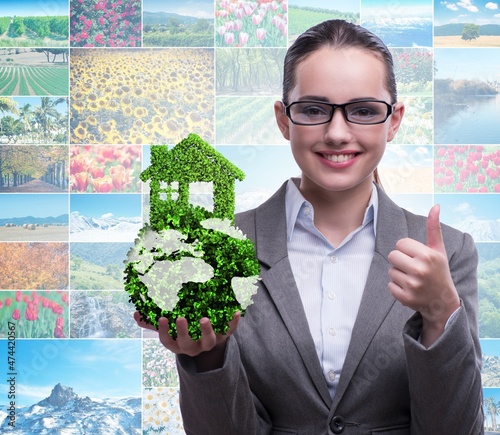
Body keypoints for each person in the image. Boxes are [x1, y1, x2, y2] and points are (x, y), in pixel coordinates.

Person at [135, 19, 484, 434]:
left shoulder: (449, 254)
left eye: (364, 111)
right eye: (314, 110)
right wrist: (206, 358)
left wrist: (441, 312)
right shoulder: (219, 251)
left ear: (394, 120)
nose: (337, 133)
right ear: (284, 120)